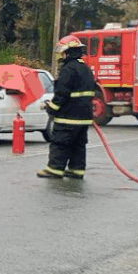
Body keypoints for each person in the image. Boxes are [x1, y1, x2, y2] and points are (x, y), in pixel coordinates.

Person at [38, 35, 97, 179]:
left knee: (60, 143)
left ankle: (54, 169)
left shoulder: (68, 69)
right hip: (83, 119)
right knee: (78, 145)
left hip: (68, 118)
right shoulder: (85, 68)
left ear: (67, 52)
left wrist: (51, 109)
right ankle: (76, 170)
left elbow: (61, 95)